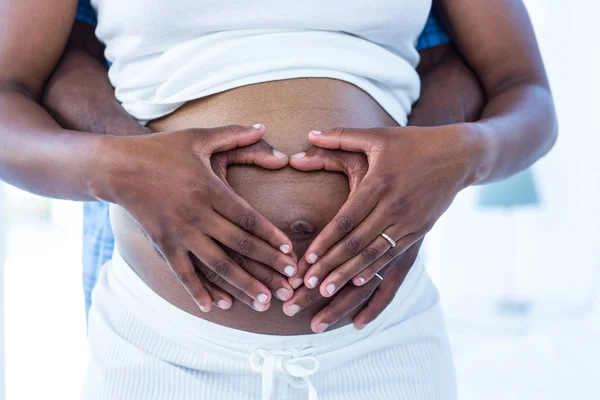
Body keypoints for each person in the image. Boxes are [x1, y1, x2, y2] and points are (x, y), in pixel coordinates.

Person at [0, 0, 557, 399]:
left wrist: (466, 154)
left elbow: (526, 90)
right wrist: (119, 169)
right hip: (164, 349)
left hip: (383, 343)